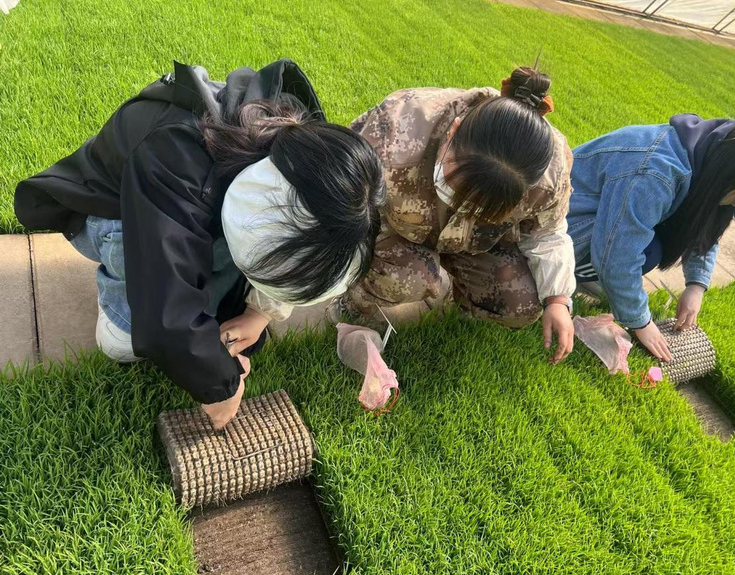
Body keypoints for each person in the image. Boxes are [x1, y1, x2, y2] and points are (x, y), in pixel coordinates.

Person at [15, 60, 385, 428]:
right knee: (122, 343)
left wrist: (259, 314)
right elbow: (166, 314)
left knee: (216, 317)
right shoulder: (174, 156)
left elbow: (306, 251)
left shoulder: (318, 167)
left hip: (193, 202)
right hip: (110, 208)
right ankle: (116, 297)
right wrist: (219, 386)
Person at [343, 66, 576, 363]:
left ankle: (460, 301)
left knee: (521, 304)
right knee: (412, 276)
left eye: (482, 206)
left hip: (473, 244)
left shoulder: (549, 177)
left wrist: (558, 299)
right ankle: (354, 303)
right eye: (458, 185)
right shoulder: (396, 129)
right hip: (394, 229)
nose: (463, 205)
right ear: (453, 131)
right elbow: (342, 196)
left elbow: (548, 232)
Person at [567, 114, 735, 360]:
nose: (734, 205)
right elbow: (617, 257)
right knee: (641, 253)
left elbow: (704, 222)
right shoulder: (657, 174)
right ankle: (564, 277)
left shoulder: (709, 150)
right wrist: (641, 322)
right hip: (557, 227)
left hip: (592, 219)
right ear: (732, 172)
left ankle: (596, 280)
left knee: (649, 250)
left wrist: (696, 286)